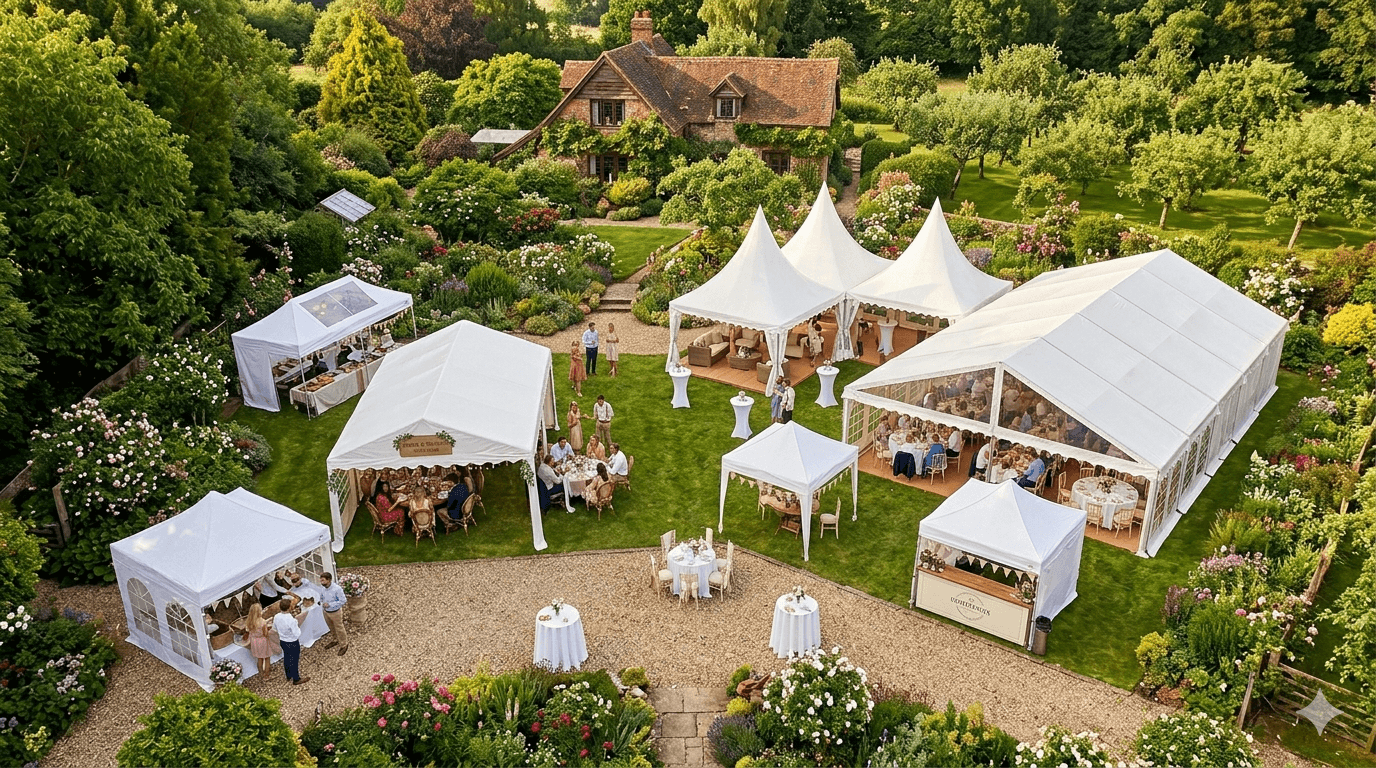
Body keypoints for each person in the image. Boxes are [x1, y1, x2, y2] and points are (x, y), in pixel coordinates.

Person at [272, 598, 308, 685]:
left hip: (283, 641)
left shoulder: (276, 617)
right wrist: (296, 624)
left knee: (287, 658)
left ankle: (288, 675)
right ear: (289, 608)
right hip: (292, 642)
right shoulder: (291, 620)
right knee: (294, 660)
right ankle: (296, 678)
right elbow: (297, 634)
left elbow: (274, 628)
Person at [319, 572, 348, 656]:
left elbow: (343, 600)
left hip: (335, 612)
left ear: (329, 580)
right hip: (326, 612)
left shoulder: (337, 589)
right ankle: (335, 640)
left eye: (323, 580)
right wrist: (321, 603)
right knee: (331, 627)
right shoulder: (323, 588)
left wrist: (330, 604)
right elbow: (321, 597)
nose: (321, 582)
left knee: (339, 628)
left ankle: (344, 644)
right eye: (321, 580)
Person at [246, 603, 273, 679]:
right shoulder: (262, 621)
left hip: (254, 641)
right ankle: (266, 675)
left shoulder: (249, 621)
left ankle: (261, 673)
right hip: (262, 641)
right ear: (259, 612)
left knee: (259, 658)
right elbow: (265, 633)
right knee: (267, 658)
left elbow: (248, 630)